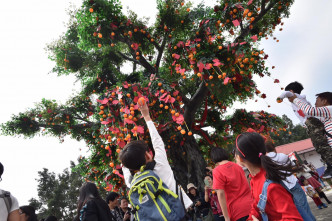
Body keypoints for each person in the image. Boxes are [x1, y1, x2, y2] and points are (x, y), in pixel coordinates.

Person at [120, 101, 192, 209]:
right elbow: (157, 141)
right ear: (148, 155)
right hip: (179, 213)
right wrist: (147, 117)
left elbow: (126, 169)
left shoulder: (133, 182)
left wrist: (126, 156)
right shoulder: (160, 164)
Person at [234, 132, 302, 221]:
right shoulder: (254, 179)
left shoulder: (270, 185)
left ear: (240, 158)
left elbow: (294, 218)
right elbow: (257, 206)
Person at [265, 141, 315, 221]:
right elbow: (293, 166)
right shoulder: (282, 156)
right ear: (274, 148)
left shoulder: (265, 161)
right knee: (304, 208)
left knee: (296, 211)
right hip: (292, 184)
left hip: (282, 188)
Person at [288, 92, 332, 178]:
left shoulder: (330, 109)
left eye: (317, 101)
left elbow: (310, 110)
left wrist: (295, 99)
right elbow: (309, 117)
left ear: (324, 101)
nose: (315, 104)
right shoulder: (325, 118)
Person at [210, 147, 252, 221]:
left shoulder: (217, 171)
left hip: (237, 211)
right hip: (250, 205)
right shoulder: (237, 166)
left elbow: (220, 194)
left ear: (213, 158)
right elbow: (247, 184)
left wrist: (226, 217)